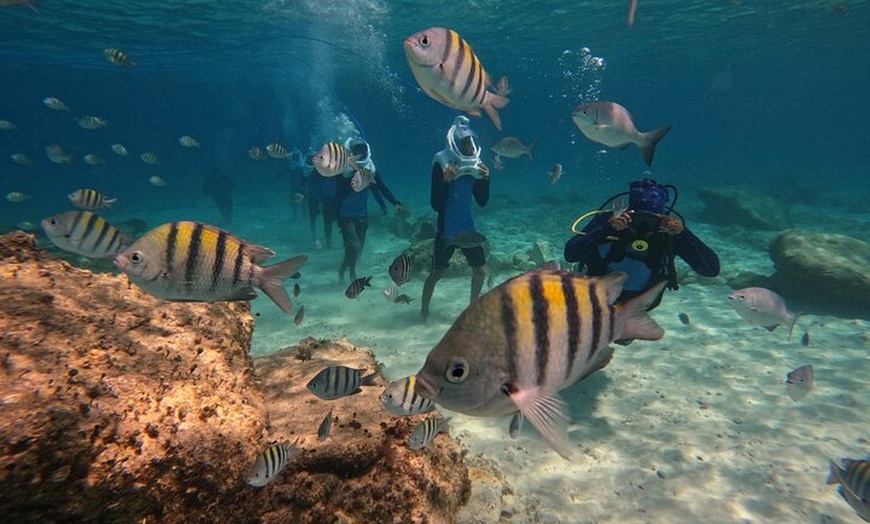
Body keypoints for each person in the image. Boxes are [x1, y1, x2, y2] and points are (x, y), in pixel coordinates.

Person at [564, 177, 720, 312]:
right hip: (595, 299)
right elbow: (571, 254)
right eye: (638, 217)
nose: (644, 224)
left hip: (639, 307)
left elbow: (711, 270)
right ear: (628, 211)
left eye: (653, 219)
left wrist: (683, 233)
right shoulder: (611, 221)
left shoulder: (669, 232)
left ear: (663, 216)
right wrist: (607, 228)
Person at [420, 116, 491, 321]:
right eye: (465, 143)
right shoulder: (441, 163)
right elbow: (436, 205)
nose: (469, 148)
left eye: (471, 143)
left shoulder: (476, 164)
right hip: (447, 229)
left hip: (468, 227)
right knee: (436, 273)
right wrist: (445, 181)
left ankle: (471, 311)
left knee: (480, 271)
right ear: (455, 145)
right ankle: (423, 311)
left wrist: (486, 179)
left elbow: (482, 201)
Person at [335, 137, 402, 282]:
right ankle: (351, 271)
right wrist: (354, 177)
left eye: (363, 150)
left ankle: (343, 270)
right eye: (357, 150)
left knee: (358, 247)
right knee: (354, 246)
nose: (361, 153)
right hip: (345, 215)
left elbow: (381, 188)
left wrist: (394, 202)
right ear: (351, 152)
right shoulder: (343, 169)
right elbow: (339, 193)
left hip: (362, 215)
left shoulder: (370, 169)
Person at [304, 152, 337, 248]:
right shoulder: (311, 166)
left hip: (324, 196)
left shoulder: (323, 166)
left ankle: (325, 241)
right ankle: (319, 240)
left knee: (324, 219)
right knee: (322, 219)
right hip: (320, 196)